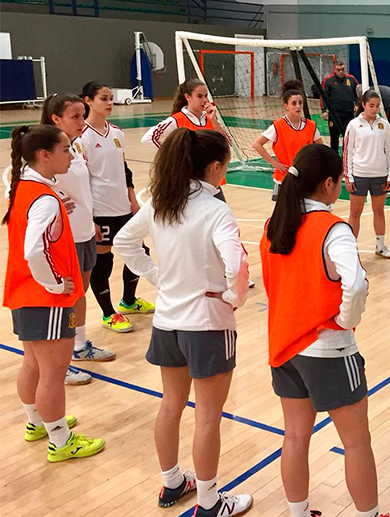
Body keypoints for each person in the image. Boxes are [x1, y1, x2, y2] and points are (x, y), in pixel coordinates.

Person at [114, 128, 252, 515]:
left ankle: (173, 482)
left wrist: (157, 277)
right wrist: (233, 296)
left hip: (167, 321)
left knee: (170, 405)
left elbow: (124, 242)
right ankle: (209, 502)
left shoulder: (161, 200)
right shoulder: (215, 209)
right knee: (208, 416)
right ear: (213, 166)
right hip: (207, 325)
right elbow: (237, 263)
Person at [261, 144, 390, 517]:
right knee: (356, 443)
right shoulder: (333, 229)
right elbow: (357, 285)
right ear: (330, 184)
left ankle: (298, 513)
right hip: (329, 350)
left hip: (285, 346)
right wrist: (347, 320)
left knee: (295, 436)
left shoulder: (275, 224)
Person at [5, 124, 105, 462]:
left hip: (23, 292)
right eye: (65, 149)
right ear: (44, 155)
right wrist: (55, 283)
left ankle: (37, 422)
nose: (71, 154)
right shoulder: (45, 199)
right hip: (44, 298)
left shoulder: (23, 186)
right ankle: (61, 441)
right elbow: (35, 250)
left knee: (32, 363)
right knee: (52, 373)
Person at [42, 93, 117, 385]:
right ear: (55, 119)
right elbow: (18, 177)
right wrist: (55, 196)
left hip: (85, 231)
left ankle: (79, 347)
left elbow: (83, 189)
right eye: (74, 116)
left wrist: (92, 220)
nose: (81, 121)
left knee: (79, 295)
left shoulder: (74, 149)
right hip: (63, 238)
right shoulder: (46, 151)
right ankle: (58, 363)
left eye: (82, 115)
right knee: (64, 298)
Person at [79, 81, 154, 333]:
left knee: (138, 250)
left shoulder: (117, 132)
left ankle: (129, 301)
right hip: (100, 210)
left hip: (123, 206)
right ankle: (108, 313)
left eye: (111, 98)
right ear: (88, 101)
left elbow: (124, 170)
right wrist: (90, 218)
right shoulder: (83, 138)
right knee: (103, 259)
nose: (110, 103)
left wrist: (133, 200)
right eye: (103, 98)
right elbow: (81, 180)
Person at [141, 78, 233, 201]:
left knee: (219, 214)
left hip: (210, 180)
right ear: (188, 97)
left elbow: (227, 143)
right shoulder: (176, 120)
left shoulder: (210, 119)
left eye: (206, 96)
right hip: (188, 181)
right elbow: (148, 138)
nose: (205, 100)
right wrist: (174, 154)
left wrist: (214, 120)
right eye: (199, 96)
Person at [343, 90, 390, 259]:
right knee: (355, 213)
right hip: (359, 175)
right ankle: (351, 248)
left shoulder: (384, 125)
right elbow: (347, 152)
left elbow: (389, 151)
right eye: (371, 105)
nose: (374, 109)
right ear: (363, 105)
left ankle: (380, 246)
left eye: (377, 106)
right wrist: (348, 176)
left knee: (379, 211)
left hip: (379, 176)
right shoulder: (353, 125)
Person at [252, 79, 323, 201]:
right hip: (284, 178)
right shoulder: (278, 125)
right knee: (284, 216)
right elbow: (257, 144)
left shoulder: (311, 126)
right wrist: (275, 163)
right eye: (294, 103)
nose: (298, 106)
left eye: (300, 103)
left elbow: (321, 149)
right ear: (286, 105)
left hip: (304, 178)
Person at [321, 60, 359, 152]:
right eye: (339, 70)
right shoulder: (328, 80)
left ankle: (347, 158)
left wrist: (357, 105)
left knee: (349, 138)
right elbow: (323, 96)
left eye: (343, 69)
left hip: (349, 114)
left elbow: (359, 93)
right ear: (334, 69)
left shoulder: (352, 79)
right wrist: (324, 110)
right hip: (334, 115)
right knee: (334, 139)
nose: (341, 72)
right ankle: (334, 160)